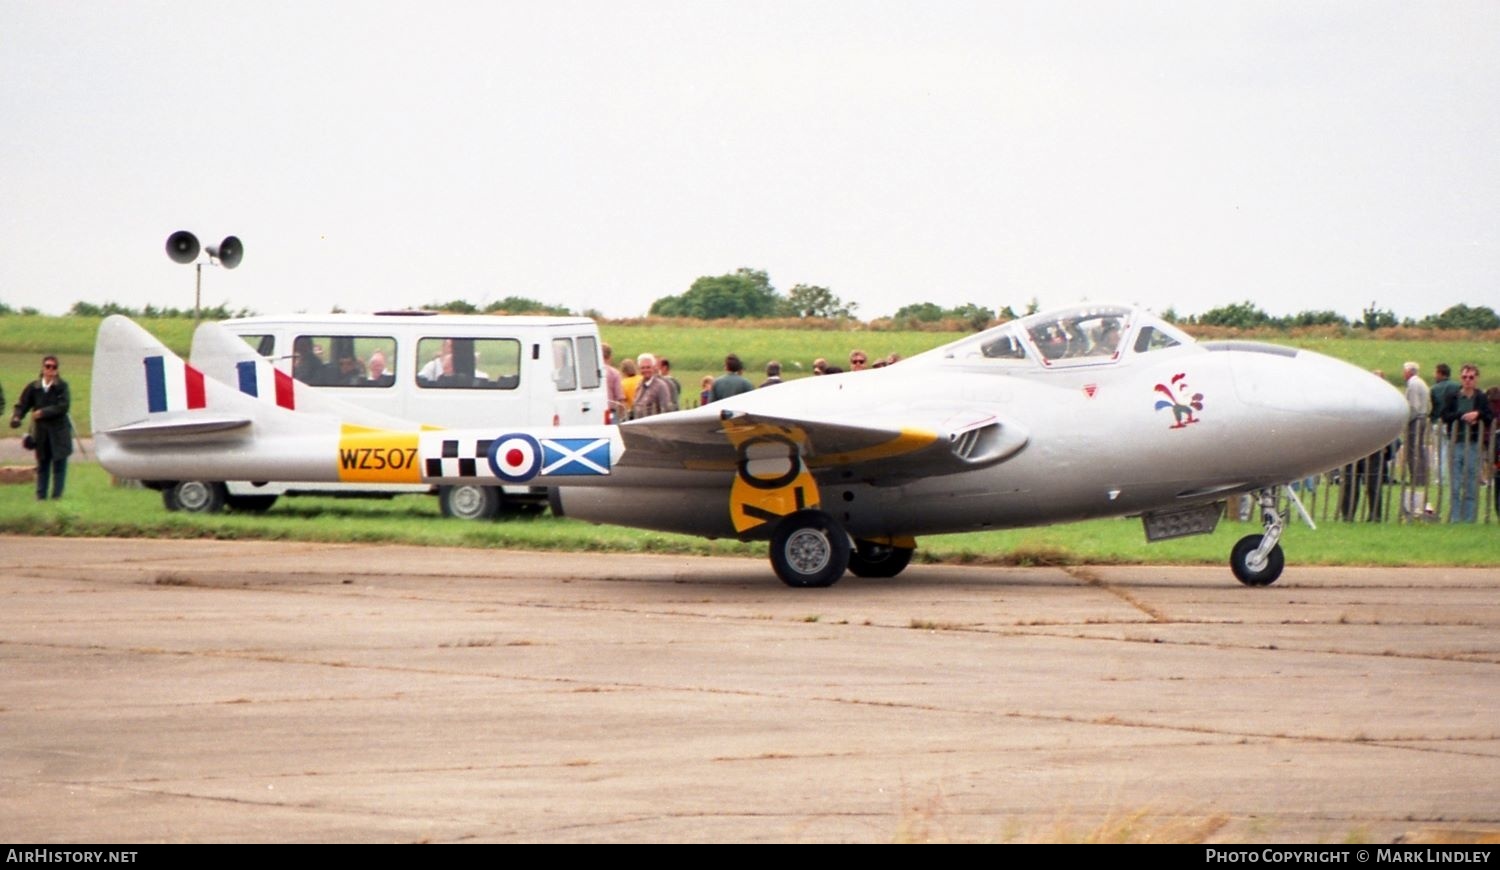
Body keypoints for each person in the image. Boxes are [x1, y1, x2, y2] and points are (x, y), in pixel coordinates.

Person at [11, 355, 73, 500]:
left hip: (59, 433)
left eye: (53, 367)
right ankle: (41, 496)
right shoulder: (34, 387)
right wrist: (17, 417)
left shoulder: (62, 387)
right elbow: (22, 404)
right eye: (47, 366)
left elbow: (63, 407)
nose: (50, 370)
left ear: (57, 370)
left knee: (59, 466)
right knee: (43, 465)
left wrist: (43, 412)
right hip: (42, 433)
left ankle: (57, 496)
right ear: (43, 368)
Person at [1439, 364, 1493, 523]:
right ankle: (1456, 518)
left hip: (1473, 444)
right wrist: (1462, 415)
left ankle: (1469, 519)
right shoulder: (1453, 396)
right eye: (1464, 377)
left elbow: (1489, 417)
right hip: (1456, 443)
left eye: (1471, 377)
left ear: (1476, 379)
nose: (1467, 380)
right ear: (1460, 378)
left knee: (1471, 483)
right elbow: (1444, 415)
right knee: (1455, 483)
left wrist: (1478, 414)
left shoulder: (1481, 398)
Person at [1401, 361, 1431, 518]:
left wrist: (1406, 420)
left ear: (1409, 371)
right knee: (1419, 448)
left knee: (1413, 450)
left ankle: (1417, 478)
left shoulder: (1413, 384)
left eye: (1404, 370)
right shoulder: (1421, 382)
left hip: (1416, 419)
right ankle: (1421, 477)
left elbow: (1413, 406)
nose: (1403, 373)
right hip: (1423, 417)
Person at [1430, 363, 1457, 485]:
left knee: (1439, 451)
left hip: (1438, 421)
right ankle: (1454, 476)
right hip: (1453, 422)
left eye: (1436, 373)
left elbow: (1432, 407)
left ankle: (1439, 478)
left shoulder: (1434, 389)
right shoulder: (1457, 386)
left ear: (1441, 374)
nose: (1434, 375)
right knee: (1454, 451)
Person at [631, 353, 674, 418]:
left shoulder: (661, 386)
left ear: (654, 368)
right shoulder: (639, 385)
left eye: (648, 367)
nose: (645, 370)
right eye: (643, 368)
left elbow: (666, 409)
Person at [602, 343, 625, 420]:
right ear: (610, 357)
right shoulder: (614, 373)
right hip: (610, 413)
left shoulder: (589, 372)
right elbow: (620, 398)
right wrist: (621, 417)